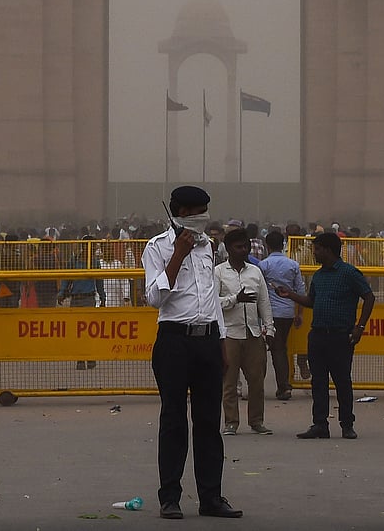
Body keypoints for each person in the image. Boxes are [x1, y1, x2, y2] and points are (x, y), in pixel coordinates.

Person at [142, 185, 242, 520]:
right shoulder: (157, 247)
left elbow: (211, 295)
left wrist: (222, 340)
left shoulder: (207, 247)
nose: (205, 218)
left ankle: (211, 497)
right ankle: (170, 497)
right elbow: (155, 298)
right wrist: (177, 257)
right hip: (174, 340)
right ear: (181, 213)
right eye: (199, 211)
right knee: (173, 421)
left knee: (208, 422)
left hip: (207, 340)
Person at [275, 232, 375, 440]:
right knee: (318, 382)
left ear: (328, 250)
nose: (314, 253)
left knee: (342, 381)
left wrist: (360, 327)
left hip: (341, 336)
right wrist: (290, 295)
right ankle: (320, 424)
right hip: (318, 335)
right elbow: (311, 301)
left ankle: (347, 424)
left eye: (317, 249)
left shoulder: (349, 273)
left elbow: (368, 296)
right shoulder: (319, 276)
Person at [216, 228, 274, 436]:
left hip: (253, 333)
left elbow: (264, 302)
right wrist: (234, 299)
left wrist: (270, 329)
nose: (243, 250)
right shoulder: (219, 272)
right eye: (238, 247)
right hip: (229, 334)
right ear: (228, 249)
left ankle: (256, 421)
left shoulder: (255, 272)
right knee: (229, 382)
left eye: (246, 247)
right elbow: (213, 303)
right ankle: (231, 422)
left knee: (257, 380)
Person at [257, 228, 304, 400]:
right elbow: (300, 290)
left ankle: (283, 387)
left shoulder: (264, 265)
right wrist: (299, 313)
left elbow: (259, 291)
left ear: (267, 245)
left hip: (270, 314)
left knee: (275, 350)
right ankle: (283, 385)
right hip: (288, 313)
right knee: (281, 348)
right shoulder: (293, 265)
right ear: (283, 244)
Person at [61, 233, 106, 370]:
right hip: (76, 299)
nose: (92, 249)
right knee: (77, 331)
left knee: (89, 330)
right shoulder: (74, 261)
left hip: (89, 299)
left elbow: (99, 282)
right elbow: (66, 279)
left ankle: (90, 357)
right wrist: (62, 292)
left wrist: (103, 298)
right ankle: (80, 359)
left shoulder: (95, 263)